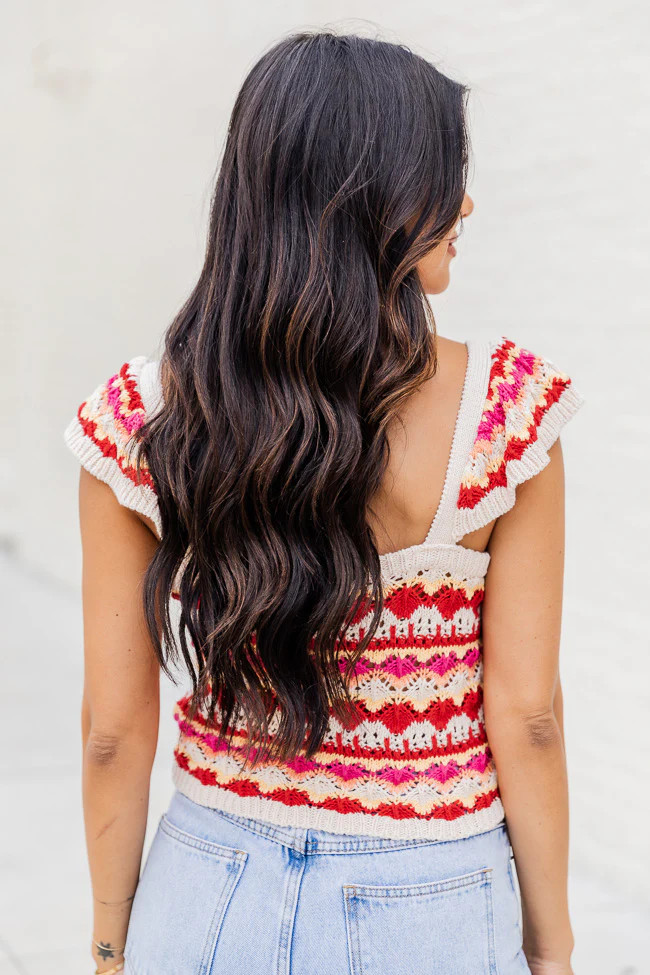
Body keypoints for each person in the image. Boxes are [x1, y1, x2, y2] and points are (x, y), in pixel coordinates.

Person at [63, 29, 586, 975]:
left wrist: (111, 942)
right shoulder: (505, 416)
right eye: (442, 177)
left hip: (205, 888)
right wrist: (553, 947)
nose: (465, 203)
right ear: (368, 196)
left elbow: (112, 730)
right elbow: (530, 715)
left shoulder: (139, 421)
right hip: (430, 902)